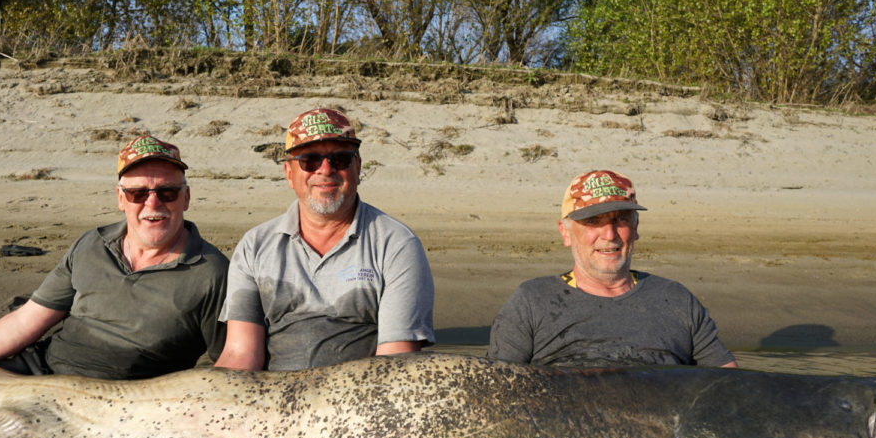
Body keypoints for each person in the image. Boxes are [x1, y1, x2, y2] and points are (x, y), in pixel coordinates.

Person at [0, 135, 229, 379]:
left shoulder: (212, 274)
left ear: (186, 198)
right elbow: (26, 320)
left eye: (167, 192)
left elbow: (232, 365)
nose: (152, 203)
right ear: (121, 199)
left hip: (117, 406)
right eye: (138, 193)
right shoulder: (92, 244)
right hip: (35, 373)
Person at [216, 107, 435, 371]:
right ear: (288, 173)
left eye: (340, 159)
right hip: (274, 401)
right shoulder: (254, 246)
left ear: (358, 168)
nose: (326, 170)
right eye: (309, 160)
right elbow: (240, 356)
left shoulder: (397, 245)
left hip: (364, 400)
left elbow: (394, 366)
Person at [488, 169, 737, 369]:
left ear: (636, 227)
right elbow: (494, 391)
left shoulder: (676, 298)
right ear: (565, 232)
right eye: (593, 222)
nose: (609, 234)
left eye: (620, 220)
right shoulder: (531, 300)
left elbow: (729, 386)